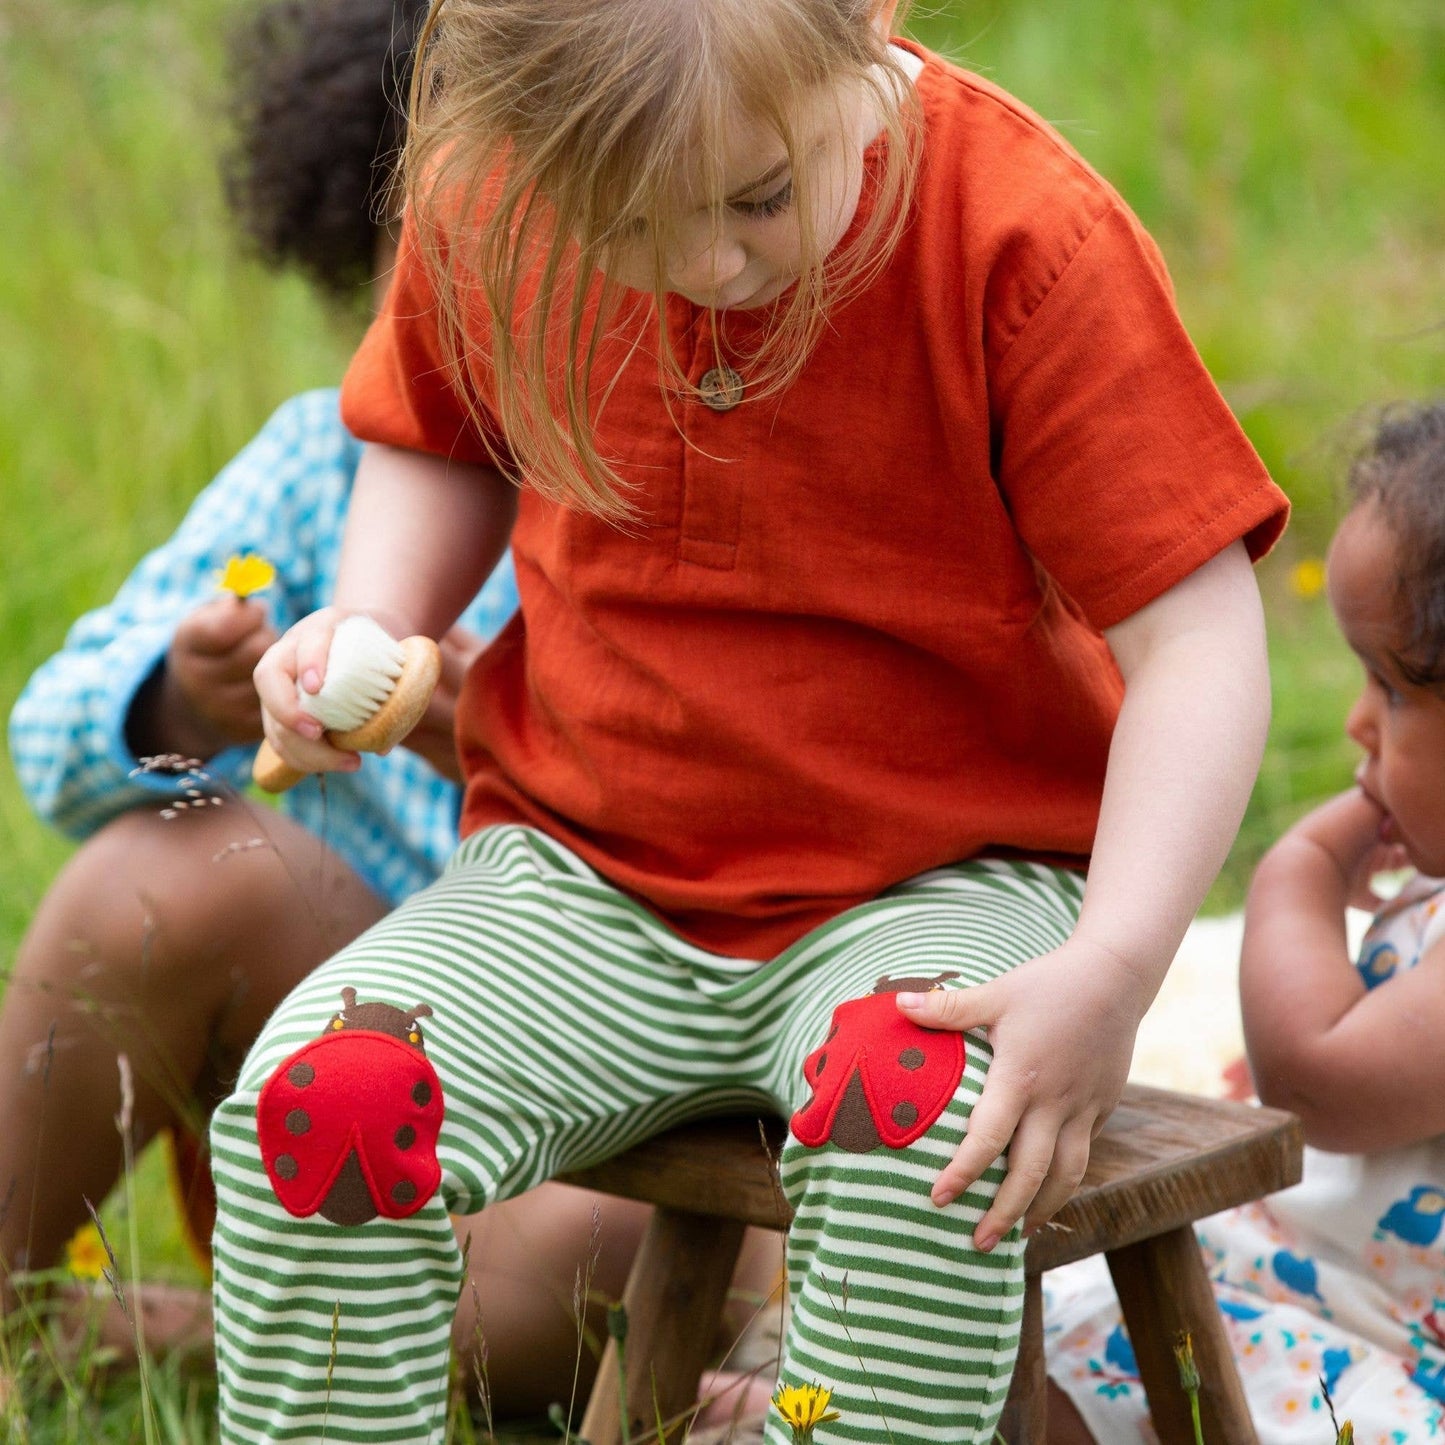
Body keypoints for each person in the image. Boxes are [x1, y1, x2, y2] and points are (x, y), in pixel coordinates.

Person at [225, 0, 1290, 1439]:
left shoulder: (1020, 239)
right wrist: (371, 619)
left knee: (919, 1123)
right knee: (318, 1105)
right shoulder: (499, 180)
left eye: (762, 198)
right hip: (582, 875)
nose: (704, 265)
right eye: (627, 225)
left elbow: (1196, 638)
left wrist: (1117, 960)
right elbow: (443, 429)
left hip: (936, 884)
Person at [2, 0, 784, 1419]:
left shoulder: (703, 485)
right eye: (435, 270)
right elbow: (50, 741)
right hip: (326, 1097)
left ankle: (211, 1340)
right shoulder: (318, 472)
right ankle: (9, 1290)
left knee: (646, 1231)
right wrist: (189, 695)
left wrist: (523, 744)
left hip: (574, 1137)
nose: (480, 321)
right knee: (160, 877)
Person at [1045, 401, 1445, 1443]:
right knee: (1060, 1317)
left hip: (1380, 1341)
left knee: (1088, 1366)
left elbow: (1318, 1079)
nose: (1357, 721)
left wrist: (1298, 871)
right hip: (1324, 1285)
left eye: (1393, 691)